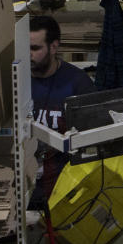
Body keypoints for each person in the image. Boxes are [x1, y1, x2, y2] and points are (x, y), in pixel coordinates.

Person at [30, 16, 95, 208]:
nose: (28, 54)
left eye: (35, 48)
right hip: (24, 181)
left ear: (53, 47)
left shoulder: (78, 84)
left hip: (63, 185)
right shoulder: (17, 80)